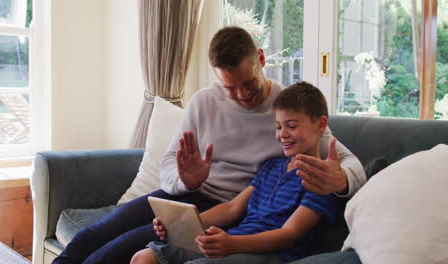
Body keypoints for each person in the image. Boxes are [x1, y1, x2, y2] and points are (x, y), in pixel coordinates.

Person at [52, 26, 365, 264]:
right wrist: (185, 180)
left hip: (228, 210)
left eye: (249, 83)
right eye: (231, 88)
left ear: (260, 59)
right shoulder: (204, 101)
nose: (242, 95)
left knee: (121, 248)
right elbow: (168, 164)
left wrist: (341, 181)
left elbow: (347, 161)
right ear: (218, 79)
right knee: (95, 233)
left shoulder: (287, 108)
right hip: (185, 196)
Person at [130, 82, 337, 264]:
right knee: (144, 257)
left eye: (291, 126)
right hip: (234, 243)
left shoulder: (321, 182)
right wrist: (180, 224)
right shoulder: (271, 167)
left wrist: (233, 244)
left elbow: (289, 234)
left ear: (320, 124)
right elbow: (231, 208)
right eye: (278, 126)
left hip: (271, 254)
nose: (282, 134)